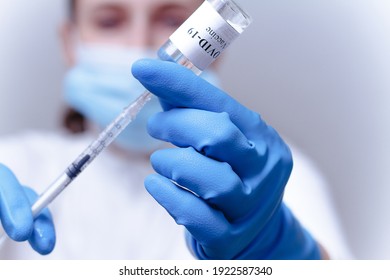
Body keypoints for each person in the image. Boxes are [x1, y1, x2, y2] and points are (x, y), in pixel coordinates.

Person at [0, 0, 351, 259]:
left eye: (172, 20)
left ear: (214, 48)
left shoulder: (264, 178)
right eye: (109, 21)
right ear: (69, 42)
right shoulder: (15, 164)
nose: (139, 43)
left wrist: (281, 249)